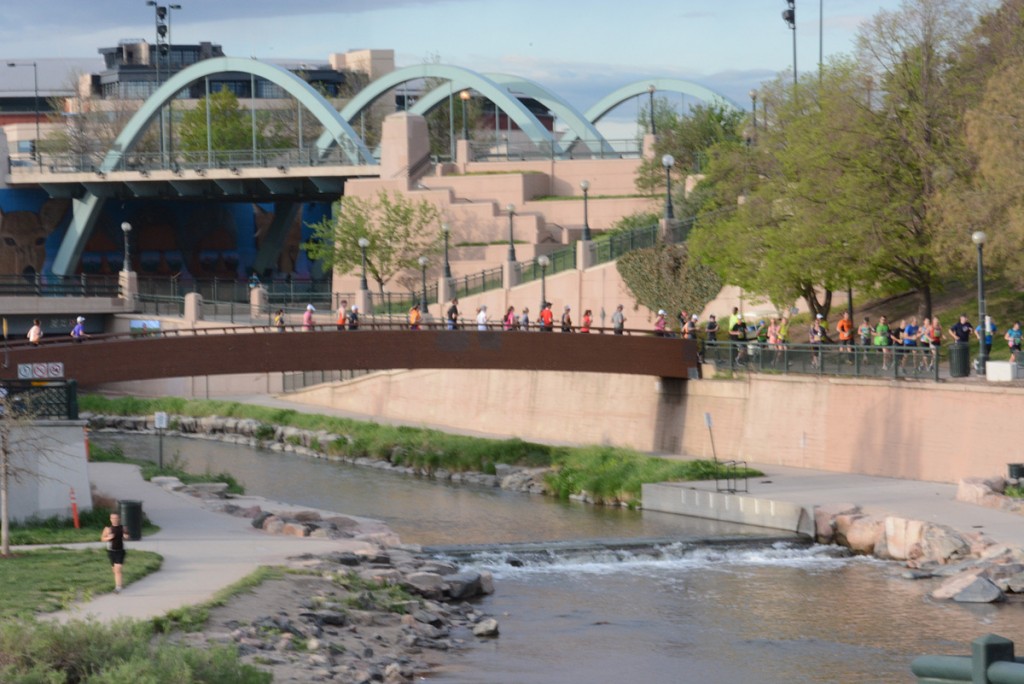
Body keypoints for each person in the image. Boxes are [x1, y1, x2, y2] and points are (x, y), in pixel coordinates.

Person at [101, 512, 130, 594]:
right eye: (112, 518)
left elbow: (127, 536)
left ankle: (118, 588)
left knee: (118, 568)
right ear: (110, 519)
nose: (114, 520)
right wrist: (108, 538)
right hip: (111, 551)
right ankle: (120, 583)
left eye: (116, 518)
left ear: (119, 519)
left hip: (120, 551)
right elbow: (102, 538)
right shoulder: (108, 529)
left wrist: (126, 536)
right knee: (115, 570)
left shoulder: (123, 528)